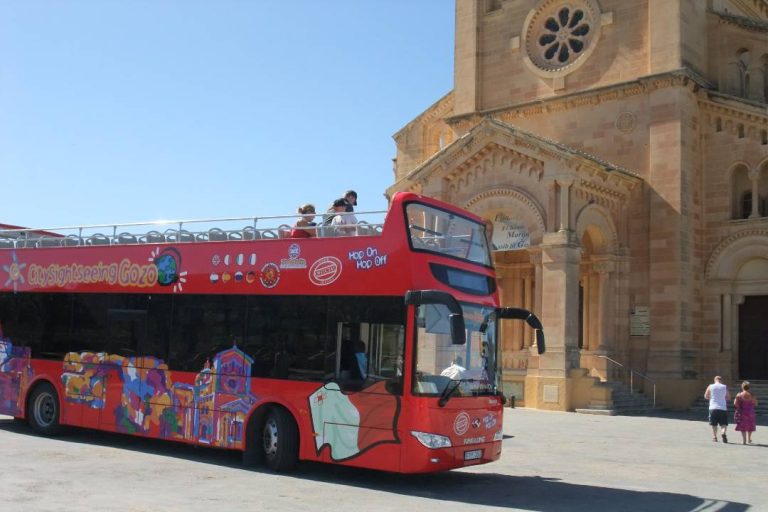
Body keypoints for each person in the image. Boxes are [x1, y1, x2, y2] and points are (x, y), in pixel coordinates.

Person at [704, 376, 731, 442]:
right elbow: (729, 397)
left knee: (714, 424)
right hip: (722, 408)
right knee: (723, 423)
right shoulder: (724, 387)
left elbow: (706, 396)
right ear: (721, 380)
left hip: (713, 407)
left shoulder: (710, 386)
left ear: (715, 380)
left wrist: (711, 398)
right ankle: (723, 433)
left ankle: (715, 437)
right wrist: (723, 399)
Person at [734, 381, 758, 445]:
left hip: (742, 412)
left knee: (743, 426)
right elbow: (756, 403)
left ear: (742, 387)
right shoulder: (752, 395)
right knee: (750, 425)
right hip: (751, 412)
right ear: (749, 387)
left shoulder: (739, 395)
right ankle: (749, 439)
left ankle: (744, 441)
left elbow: (735, 404)